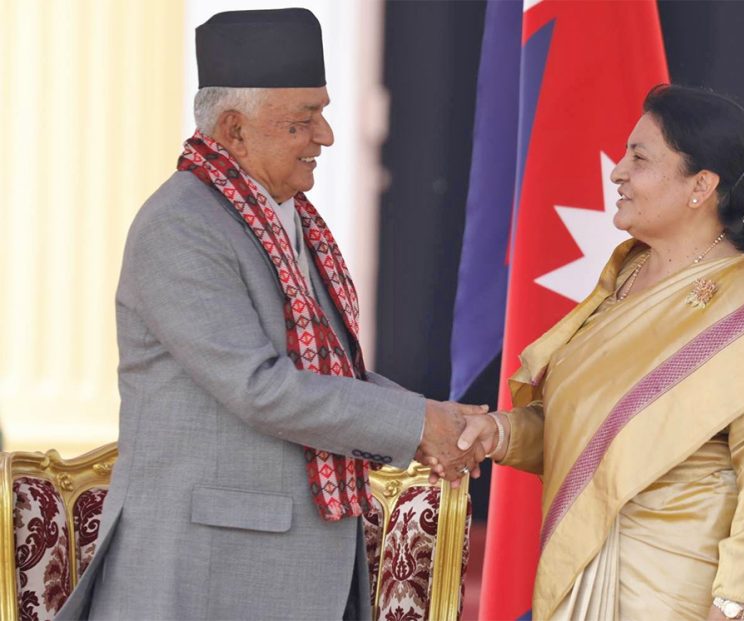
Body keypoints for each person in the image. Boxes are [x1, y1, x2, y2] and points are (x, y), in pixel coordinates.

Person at [57, 9, 485, 620]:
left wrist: (428, 420)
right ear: (234, 129)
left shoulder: (283, 216)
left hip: (285, 564)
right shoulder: (181, 227)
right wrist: (419, 424)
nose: (328, 136)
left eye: (324, 112)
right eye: (302, 121)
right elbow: (262, 388)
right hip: (207, 574)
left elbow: (331, 373)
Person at [454, 85, 744, 620]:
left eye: (640, 158)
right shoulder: (626, 278)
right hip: (581, 586)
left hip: (680, 602)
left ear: (701, 185)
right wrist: (502, 434)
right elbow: (588, 430)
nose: (617, 171)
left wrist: (734, 607)